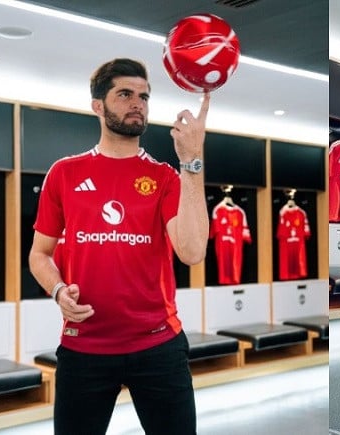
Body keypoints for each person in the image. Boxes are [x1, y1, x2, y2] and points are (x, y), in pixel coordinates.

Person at [28, 58, 209, 434]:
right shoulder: (65, 172)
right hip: (84, 348)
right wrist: (59, 290)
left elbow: (192, 252)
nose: (137, 103)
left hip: (158, 345)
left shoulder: (165, 177)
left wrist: (192, 160)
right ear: (98, 106)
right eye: (124, 94)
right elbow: (39, 254)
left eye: (144, 96)